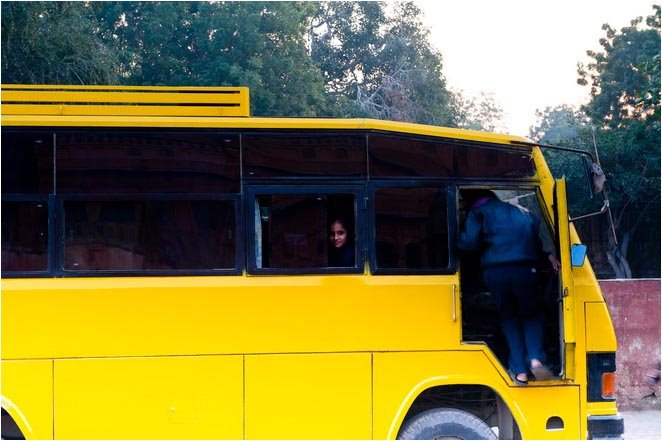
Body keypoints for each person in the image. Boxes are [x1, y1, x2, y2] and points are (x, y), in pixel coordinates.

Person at [457, 189, 560, 386]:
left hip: (496, 274)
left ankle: (520, 371)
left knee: (508, 318)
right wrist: (547, 256)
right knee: (532, 315)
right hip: (526, 271)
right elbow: (535, 242)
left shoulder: (478, 212)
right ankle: (536, 359)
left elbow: (467, 244)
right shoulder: (523, 213)